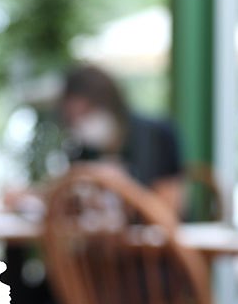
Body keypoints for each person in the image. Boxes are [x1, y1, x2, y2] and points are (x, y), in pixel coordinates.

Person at [56, 64, 184, 215]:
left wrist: (121, 186)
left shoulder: (157, 136)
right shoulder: (83, 149)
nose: (81, 124)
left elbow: (169, 210)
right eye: (73, 119)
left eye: (86, 113)